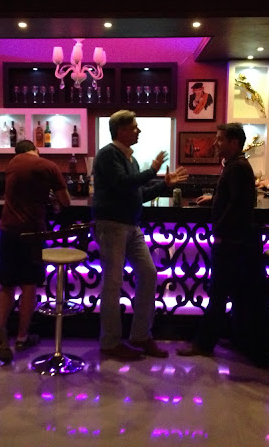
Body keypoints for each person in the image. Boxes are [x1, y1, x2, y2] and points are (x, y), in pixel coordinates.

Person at [93, 110, 189, 360]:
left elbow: (138, 195)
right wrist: (152, 170)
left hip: (131, 225)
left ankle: (140, 335)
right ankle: (110, 342)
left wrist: (164, 185)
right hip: (112, 225)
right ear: (121, 130)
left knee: (148, 274)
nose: (139, 131)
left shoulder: (130, 159)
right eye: (134, 127)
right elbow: (123, 183)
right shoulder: (108, 154)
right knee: (113, 284)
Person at [177, 123, 269, 368]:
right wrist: (215, 198)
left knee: (218, 294)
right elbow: (234, 199)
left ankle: (203, 344)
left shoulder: (236, 167)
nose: (216, 143)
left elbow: (237, 206)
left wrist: (220, 231)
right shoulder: (236, 165)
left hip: (231, 242)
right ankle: (238, 340)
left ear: (234, 143)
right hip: (239, 242)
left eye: (220, 139)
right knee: (236, 294)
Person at [0, 140, 70, 363]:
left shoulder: (11, 165)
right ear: (36, 150)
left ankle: (1, 328)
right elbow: (66, 202)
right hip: (32, 233)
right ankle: (21, 337)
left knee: (7, 284)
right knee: (29, 285)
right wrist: (53, 199)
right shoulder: (48, 166)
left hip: (7, 230)